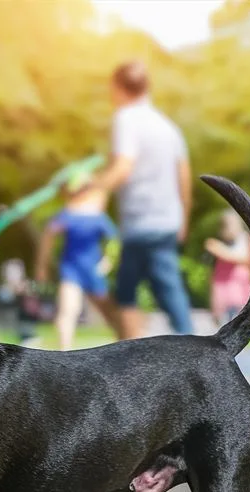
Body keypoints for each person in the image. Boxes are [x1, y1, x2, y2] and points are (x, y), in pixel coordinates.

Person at [94, 60, 193, 339]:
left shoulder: (126, 118)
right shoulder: (167, 126)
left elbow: (123, 167)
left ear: (118, 88)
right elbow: (183, 176)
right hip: (167, 220)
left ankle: (136, 352)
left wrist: (93, 186)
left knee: (129, 293)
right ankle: (188, 345)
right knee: (165, 286)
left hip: (141, 222)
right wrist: (183, 217)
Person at [34, 171, 121, 350]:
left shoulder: (97, 216)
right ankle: (64, 350)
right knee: (68, 310)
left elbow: (114, 241)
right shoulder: (67, 214)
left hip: (93, 270)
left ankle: (122, 344)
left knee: (109, 312)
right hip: (71, 270)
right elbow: (48, 237)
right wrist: (42, 265)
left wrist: (107, 262)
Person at [206, 210, 250, 326]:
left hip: (239, 281)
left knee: (237, 312)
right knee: (220, 313)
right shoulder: (217, 242)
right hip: (222, 282)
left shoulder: (246, 239)